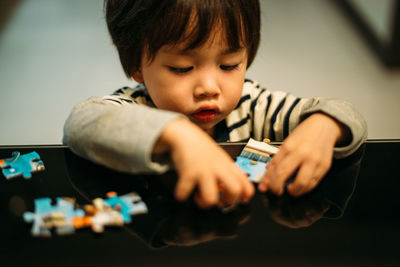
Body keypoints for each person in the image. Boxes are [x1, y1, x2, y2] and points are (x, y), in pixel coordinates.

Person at [63, 0, 367, 209]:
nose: (209, 88)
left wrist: (325, 127)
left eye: (229, 65)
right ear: (137, 65)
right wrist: (178, 135)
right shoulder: (133, 109)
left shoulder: (252, 105)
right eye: (182, 68)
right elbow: (81, 124)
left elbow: (343, 110)